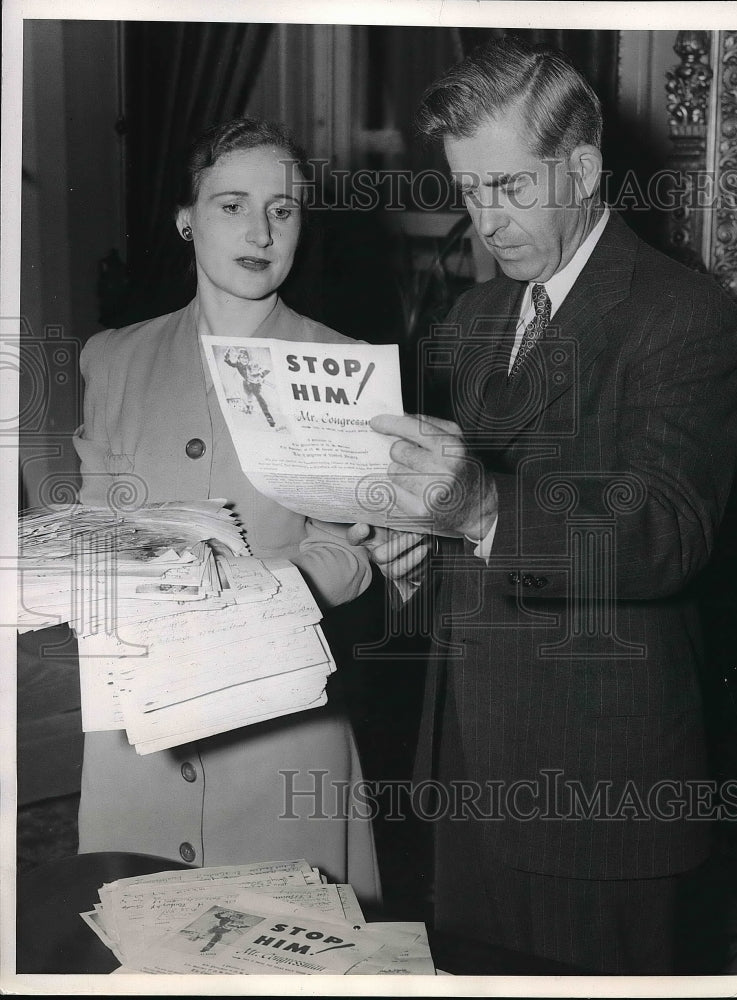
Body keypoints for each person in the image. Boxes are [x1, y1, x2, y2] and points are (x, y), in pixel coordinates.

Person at [348, 38, 737, 972]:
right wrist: (415, 547)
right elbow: (464, 522)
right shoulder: (475, 320)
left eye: (510, 189)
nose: (485, 221)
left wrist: (481, 506)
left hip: (598, 789)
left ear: (580, 170)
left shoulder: (686, 317)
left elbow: (667, 531)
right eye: (469, 190)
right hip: (467, 769)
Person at [73, 118, 381, 906]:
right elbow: (97, 524)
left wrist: (245, 601)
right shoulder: (113, 357)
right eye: (232, 205)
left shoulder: (338, 365)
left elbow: (348, 555)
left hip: (281, 735)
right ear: (187, 218)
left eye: (283, 211)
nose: (260, 230)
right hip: (138, 729)